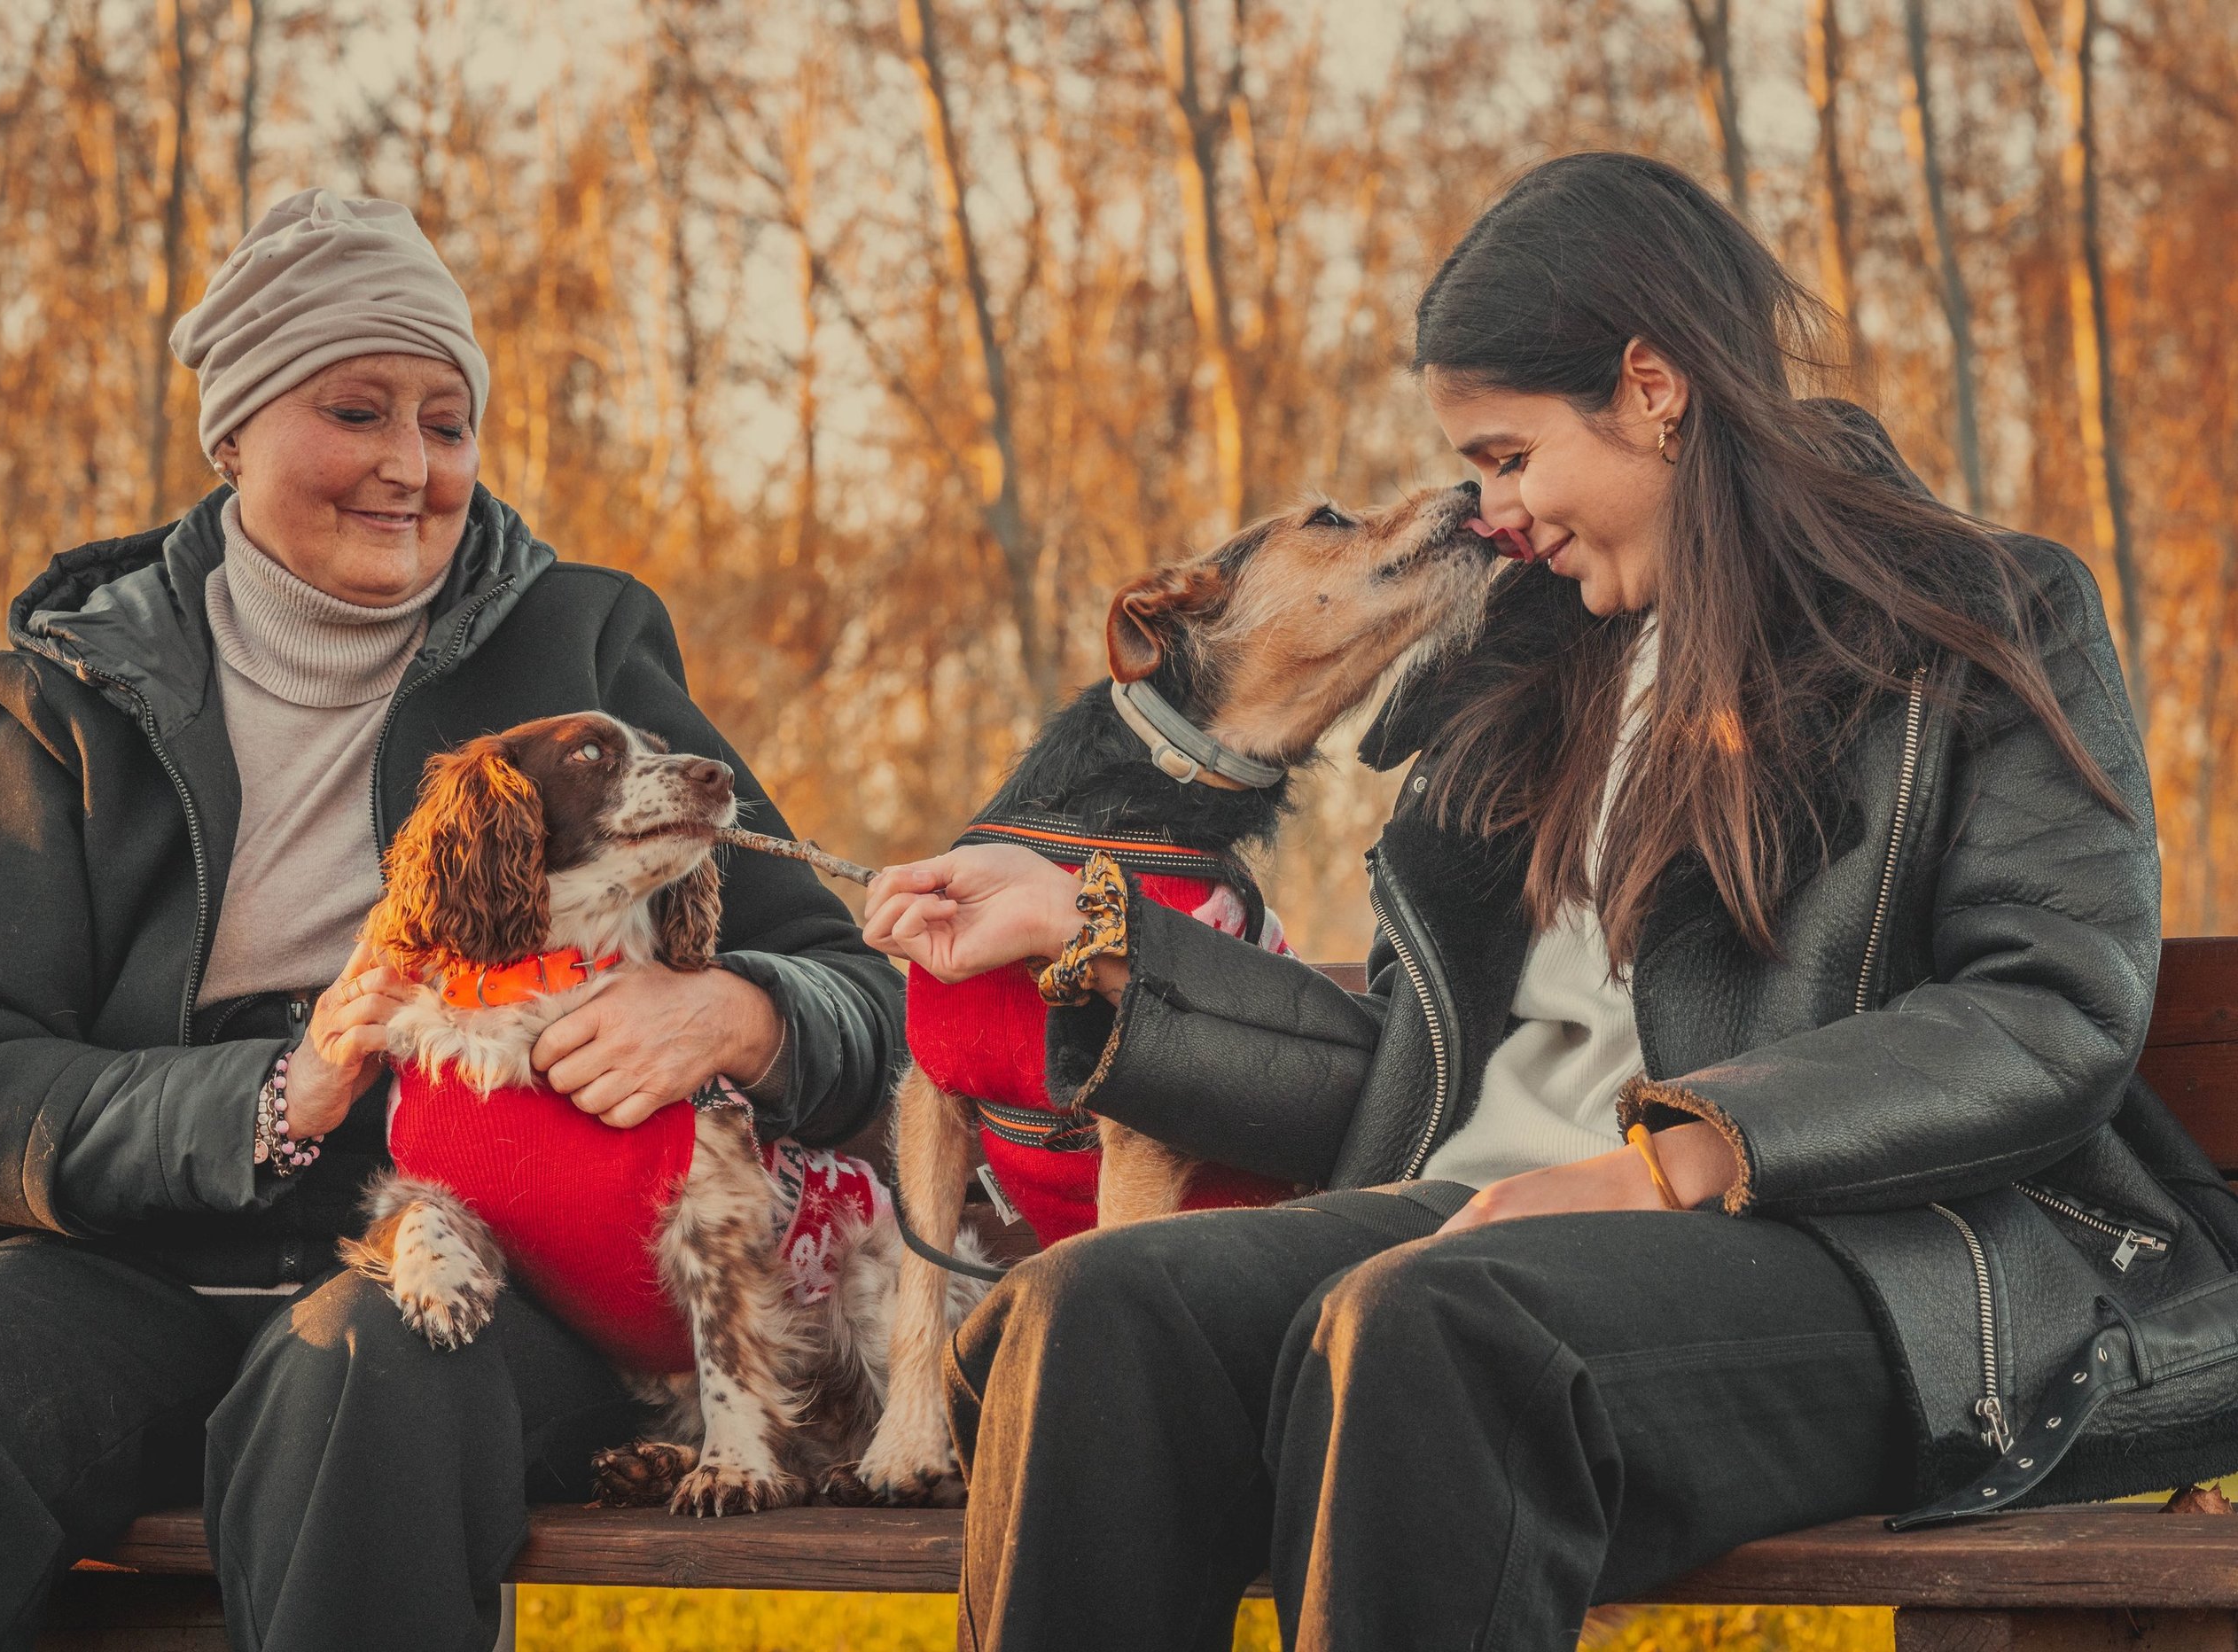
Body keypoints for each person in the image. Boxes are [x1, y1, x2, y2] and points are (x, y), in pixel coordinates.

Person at [862, 152, 2238, 1651]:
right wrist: (1092, 929)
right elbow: (1409, 1060)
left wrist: (1667, 1158)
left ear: (1654, 385)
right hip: (1473, 1224)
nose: (1493, 511)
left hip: (1861, 1255)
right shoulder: (1525, 678)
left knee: (1429, 1328)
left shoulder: (1969, 616)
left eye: (1510, 456)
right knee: (1096, 1318)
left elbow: (2048, 1013)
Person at [0, 189, 904, 1652]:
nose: (409, 467)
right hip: (146, 1253)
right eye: (357, 412)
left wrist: (742, 1013)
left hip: (491, 1256)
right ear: (232, 432)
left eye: (446, 421)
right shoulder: (74, 689)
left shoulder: (581, 640)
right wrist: (267, 1097)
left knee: (360, 1373)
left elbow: (849, 983)